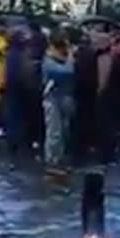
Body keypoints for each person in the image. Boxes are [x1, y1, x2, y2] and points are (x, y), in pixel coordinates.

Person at [41, 32, 76, 171]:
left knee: (63, 131)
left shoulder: (59, 58)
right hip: (52, 99)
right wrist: (70, 59)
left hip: (64, 97)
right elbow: (67, 71)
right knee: (54, 132)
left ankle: (59, 158)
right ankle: (52, 161)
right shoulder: (49, 61)